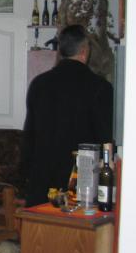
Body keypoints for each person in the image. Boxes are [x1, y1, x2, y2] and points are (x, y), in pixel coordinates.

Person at [22, 24, 113, 207]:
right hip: (81, 177)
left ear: (60, 51)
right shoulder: (100, 87)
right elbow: (105, 137)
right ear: (84, 51)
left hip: (42, 177)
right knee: (76, 224)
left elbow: (29, 135)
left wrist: (26, 174)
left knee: (41, 223)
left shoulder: (39, 84)